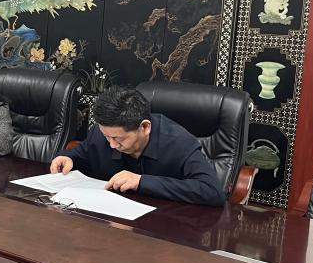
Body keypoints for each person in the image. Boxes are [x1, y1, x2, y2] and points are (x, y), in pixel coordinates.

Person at [50, 86, 226, 206]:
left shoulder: (179, 142)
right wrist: (68, 157)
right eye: (106, 137)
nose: (111, 144)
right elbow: (83, 153)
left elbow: (212, 192)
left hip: (163, 229)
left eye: (118, 138)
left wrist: (141, 181)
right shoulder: (103, 132)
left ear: (145, 127)